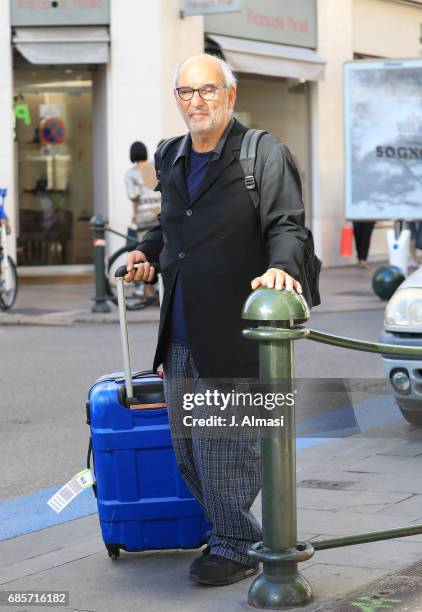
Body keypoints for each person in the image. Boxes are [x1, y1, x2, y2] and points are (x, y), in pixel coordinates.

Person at [125, 54, 319, 586]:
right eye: (187, 93)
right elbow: (171, 226)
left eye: (208, 91)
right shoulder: (171, 155)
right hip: (181, 332)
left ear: (230, 96)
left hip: (238, 331)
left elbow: (287, 224)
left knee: (228, 445)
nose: (197, 102)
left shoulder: (263, 153)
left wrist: (281, 267)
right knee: (188, 447)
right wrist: (146, 251)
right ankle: (232, 532)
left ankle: (237, 545)